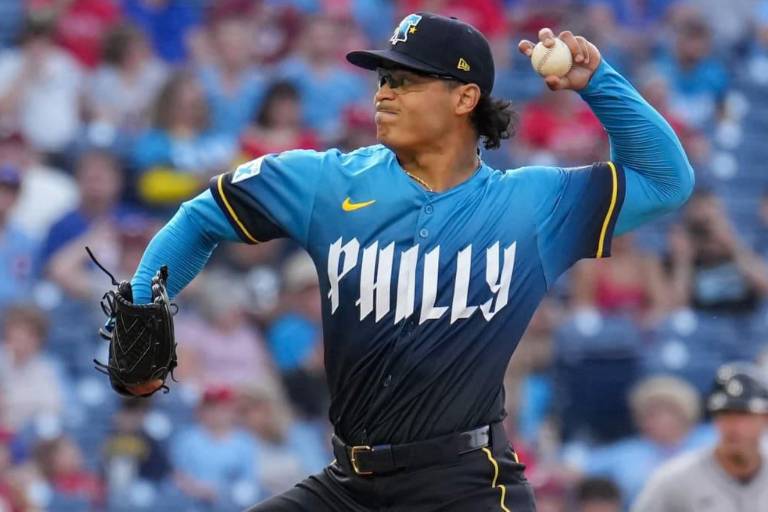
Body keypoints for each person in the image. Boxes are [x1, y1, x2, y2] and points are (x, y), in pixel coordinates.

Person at [118, 12, 693, 511]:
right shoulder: (326, 182)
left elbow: (666, 181)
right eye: (383, 79)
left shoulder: (531, 205)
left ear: (464, 99)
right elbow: (200, 217)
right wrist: (143, 302)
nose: (383, 93)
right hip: (348, 484)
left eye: (406, 81)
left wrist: (598, 83)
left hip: (465, 485)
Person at [632, 362, 768, 511]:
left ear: (765, 418)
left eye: (744, 415)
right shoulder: (675, 479)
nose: (734, 426)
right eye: (725, 414)